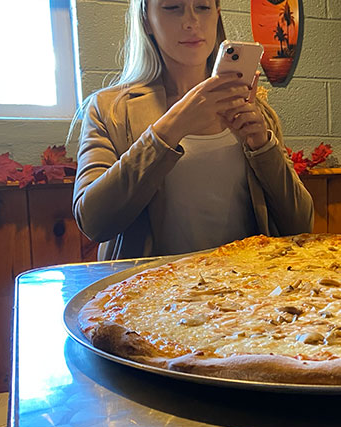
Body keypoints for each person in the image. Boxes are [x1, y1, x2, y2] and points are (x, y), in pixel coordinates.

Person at [70, 0, 313, 261]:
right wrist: (172, 127)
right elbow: (94, 221)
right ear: (146, 20)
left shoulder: (254, 110)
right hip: (148, 294)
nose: (191, 21)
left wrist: (263, 147)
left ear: (216, 15)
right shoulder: (110, 110)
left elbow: (301, 225)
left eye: (203, 7)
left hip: (245, 292)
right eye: (173, 7)